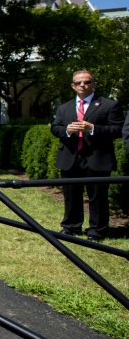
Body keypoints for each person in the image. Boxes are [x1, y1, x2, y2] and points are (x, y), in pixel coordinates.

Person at [51, 69, 123, 241]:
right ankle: (71, 227)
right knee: (71, 195)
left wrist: (93, 129)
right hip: (70, 157)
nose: (82, 85)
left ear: (94, 84)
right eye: (78, 82)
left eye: (87, 82)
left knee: (97, 197)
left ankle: (97, 231)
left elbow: (118, 130)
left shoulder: (109, 105)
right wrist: (66, 130)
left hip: (97, 157)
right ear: (73, 86)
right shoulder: (64, 107)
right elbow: (55, 128)